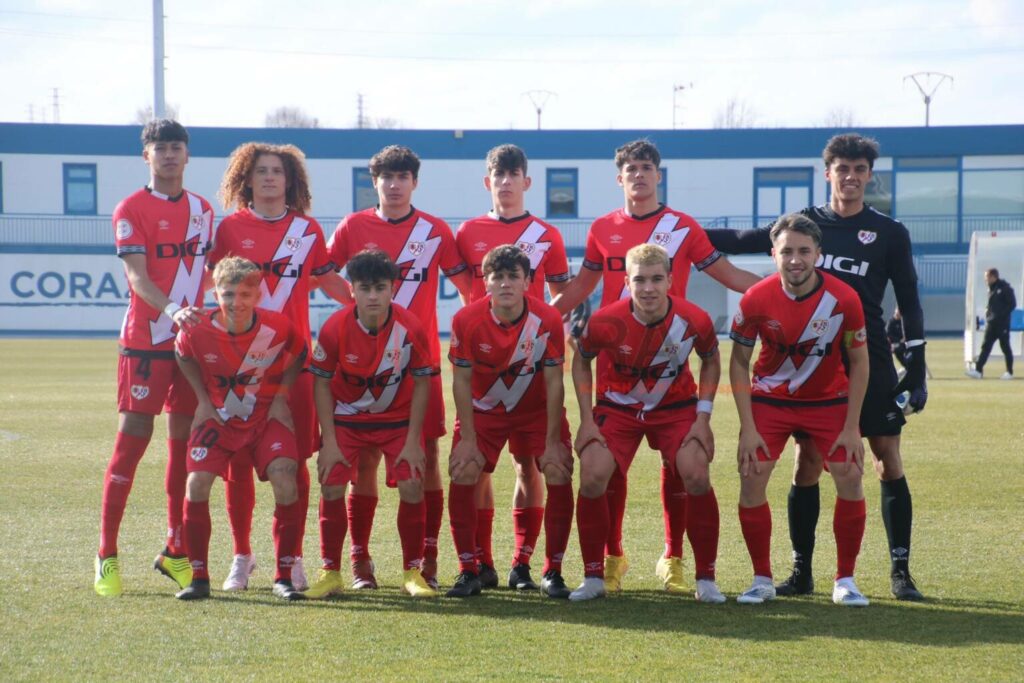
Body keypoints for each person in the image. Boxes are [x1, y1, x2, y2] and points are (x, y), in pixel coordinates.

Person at [705, 133, 928, 600]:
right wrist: (690, 234)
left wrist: (918, 362)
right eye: (841, 168)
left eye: (859, 169)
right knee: (806, 463)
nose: (850, 177)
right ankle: (799, 571)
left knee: (883, 456)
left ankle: (898, 571)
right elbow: (749, 238)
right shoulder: (803, 225)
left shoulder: (889, 232)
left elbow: (908, 297)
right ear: (827, 172)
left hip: (864, 356)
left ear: (870, 176)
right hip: (804, 367)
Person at [552, 139, 759, 594]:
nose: (639, 175)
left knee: (683, 467)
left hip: (670, 362)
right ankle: (610, 558)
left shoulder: (681, 226)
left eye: (647, 168)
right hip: (614, 362)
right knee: (606, 471)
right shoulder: (603, 227)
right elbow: (582, 285)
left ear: (658, 175)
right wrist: (539, 318)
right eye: (631, 169)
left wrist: (777, 290)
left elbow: (726, 273)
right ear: (619, 177)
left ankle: (676, 558)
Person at [327, 145, 472, 590]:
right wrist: (359, 312)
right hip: (364, 364)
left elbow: (467, 287)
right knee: (364, 462)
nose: (393, 184)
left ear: (415, 182)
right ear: (374, 182)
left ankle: (424, 561)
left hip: (416, 364)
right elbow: (324, 272)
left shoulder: (434, 231)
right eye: (386, 176)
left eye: (402, 176)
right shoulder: (353, 226)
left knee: (425, 459)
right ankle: (359, 562)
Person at [210, 142, 352, 592]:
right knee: (237, 465)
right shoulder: (230, 229)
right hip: (241, 368)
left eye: (277, 171)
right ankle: (242, 555)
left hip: (294, 365)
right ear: (246, 180)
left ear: (290, 180)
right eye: (260, 171)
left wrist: (375, 309)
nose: (270, 178)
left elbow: (330, 280)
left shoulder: (306, 230)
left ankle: (291, 559)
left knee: (295, 462)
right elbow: (215, 289)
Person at [94, 119, 214, 597]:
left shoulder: (204, 210)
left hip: (189, 343)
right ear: (146, 155)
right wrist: (172, 310)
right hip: (146, 340)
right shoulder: (131, 208)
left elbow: (208, 274)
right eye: (160, 147)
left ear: (187, 156)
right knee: (132, 443)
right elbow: (138, 278)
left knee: (184, 446)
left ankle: (175, 549)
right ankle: (106, 554)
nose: (168, 155)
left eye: (176, 147)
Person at [569, 243, 725, 603]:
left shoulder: (694, 319)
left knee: (696, 472)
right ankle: (595, 575)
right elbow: (582, 360)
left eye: (657, 279)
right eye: (640, 280)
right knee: (592, 473)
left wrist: (703, 418)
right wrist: (586, 420)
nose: (649, 288)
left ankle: (706, 578)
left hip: (676, 408)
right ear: (626, 282)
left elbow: (711, 360)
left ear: (670, 280)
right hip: (618, 408)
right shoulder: (606, 320)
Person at [729, 214, 870, 607]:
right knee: (752, 473)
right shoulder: (756, 298)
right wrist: (747, 427)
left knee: (849, 473)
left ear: (818, 254)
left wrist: (852, 427)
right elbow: (739, 361)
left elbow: (859, 363)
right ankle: (761, 579)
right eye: (786, 251)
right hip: (771, 400)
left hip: (828, 400)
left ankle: (845, 580)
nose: (795, 259)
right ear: (773, 254)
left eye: (803, 251)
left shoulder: (844, 298)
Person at [454, 144, 571, 590]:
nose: (505, 182)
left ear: (527, 180)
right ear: (488, 181)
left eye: (513, 174)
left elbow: (561, 292)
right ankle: (477, 563)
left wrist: (536, 332)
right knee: (474, 469)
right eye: (497, 175)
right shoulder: (467, 232)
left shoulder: (548, 235)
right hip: (483, 370)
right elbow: (465, 290)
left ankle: (529, 565)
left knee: (535, 467)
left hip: (530, 375)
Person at [305, 250, 438, 599]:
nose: (374, 296)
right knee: (332, 486)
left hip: (397, 421)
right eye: (365, 288)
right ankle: (331, 572)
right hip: (347, 421)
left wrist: (413, 441)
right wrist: (328, 442)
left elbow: (423, 383)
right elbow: (320, 383)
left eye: (381, 287)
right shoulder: (335, 327)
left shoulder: (410, 327)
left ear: (393, 288)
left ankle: (412, 572)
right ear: (352, 291)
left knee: (411, 483)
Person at [173, 256, 308, 601]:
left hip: (264, 420)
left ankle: (283, 576)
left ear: (258, 295)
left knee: (285, 478)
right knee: (196, 483)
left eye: (245, 294)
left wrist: (280, 396)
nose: (237, 302)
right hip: (219, 420)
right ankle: (199, 578)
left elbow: (302, 353)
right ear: (215, 293)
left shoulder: (278, 327)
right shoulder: (197, 328)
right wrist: (202, 399)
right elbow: (183, 355)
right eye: (228, 294)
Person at [967, 268, 1016, 379]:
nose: (986, 280)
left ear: (993, 277)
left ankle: (1009, 372)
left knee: (1005, 347)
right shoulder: (991, 289)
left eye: (987, 277)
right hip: (992, 324)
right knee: (986, 347)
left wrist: (1000, 315)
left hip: (1002, 324)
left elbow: (1012, 304)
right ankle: (978, 371)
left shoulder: (1004, 288)